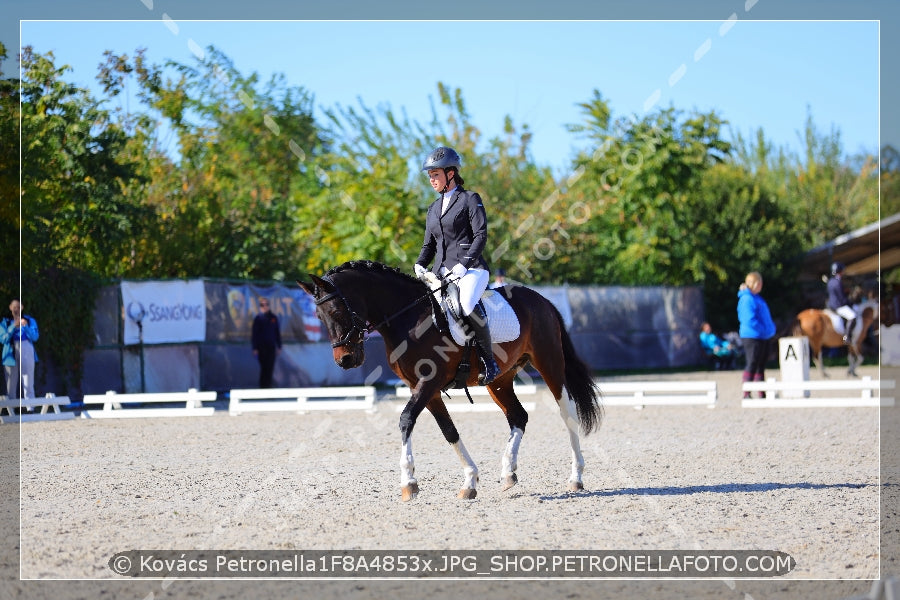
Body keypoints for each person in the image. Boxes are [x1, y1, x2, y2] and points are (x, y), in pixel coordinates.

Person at [413, 146, 500, 385]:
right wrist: (419, 265)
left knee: (465, 303)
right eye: (429, 176)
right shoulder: (432, 209)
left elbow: (480, 235)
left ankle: (489, 361)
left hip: (471, 269)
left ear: (451, 173)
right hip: (440, 272)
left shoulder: (470, 199)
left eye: (436, 175)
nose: (432, 180)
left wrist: (464, 265)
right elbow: (428, 246)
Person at [737, 272, 776, 399]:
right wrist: (764, 330)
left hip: (762, 336)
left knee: (761, 364)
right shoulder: (746, 299)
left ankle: (761, 392)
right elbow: (749, 320)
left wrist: (769, 329)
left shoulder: (757, 298)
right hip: (752, 336)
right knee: (752, 362)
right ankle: (746, 392)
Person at [1, 299, 39, 400]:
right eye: (14, 307)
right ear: (10, 308)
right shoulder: (5, 322)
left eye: (18, 307)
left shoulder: (30, 320)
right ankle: (11, 409)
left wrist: (25, 326)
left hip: (26, 348)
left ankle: (30, 407)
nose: (16, 309)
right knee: (11, 382)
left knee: (28, 379)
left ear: (22, 308)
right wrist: (13, 326)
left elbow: (35, 337)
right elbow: (3, 339)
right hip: (11, 350)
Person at [251, 297, 281, 388]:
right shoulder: (258, 318)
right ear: (260, 306)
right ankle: (263, 388)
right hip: (261, 348)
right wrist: (255, 348)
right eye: (262, 305)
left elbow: (277, 333)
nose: (264, 306)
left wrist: (279, 346)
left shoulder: (273, 318)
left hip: (271, 347)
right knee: (264, 368)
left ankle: (268, 388)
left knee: (270, 367)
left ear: (269, 305)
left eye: (266, 304)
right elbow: (254, 335)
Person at [826, 261, 857, 343]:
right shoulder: (838, 282)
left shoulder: (830, 281)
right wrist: (851, 303)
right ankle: (846, 337)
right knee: (853, 316)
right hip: (838, 306)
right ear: (840, 271)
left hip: (831, 305)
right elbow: (842, 298)